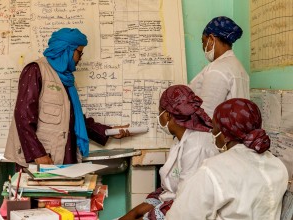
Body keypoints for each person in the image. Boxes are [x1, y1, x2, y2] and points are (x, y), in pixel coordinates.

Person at [5, 28, 129, 168]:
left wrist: (109, 131)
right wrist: (38, 154)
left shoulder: (67, 80)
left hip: (65, 157)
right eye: (79, 53)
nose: (80, 58)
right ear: (67, 50)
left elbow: (73, 119)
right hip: (41, 161)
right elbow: (23, 116)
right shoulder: (35, 70)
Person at [166, 98, 288, 220]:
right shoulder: (278, 165)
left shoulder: (214, 170)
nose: (213, 135)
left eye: (214, 130)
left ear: (224, 134)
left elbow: (179, 216)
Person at [119, 85, 219, 220]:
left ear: (167, 115)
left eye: (159, 111)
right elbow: (168, 191)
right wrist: (133, 214)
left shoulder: (197, 146)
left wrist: (146, 217)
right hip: (172, 206)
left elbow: (186, 201)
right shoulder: (181, 140)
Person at [189, 16, 250, 118]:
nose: (203, 47)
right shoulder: (238, 67)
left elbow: (206, 116)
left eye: (203, 42)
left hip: (218, 132)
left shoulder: (217, 70)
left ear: (211, 39)